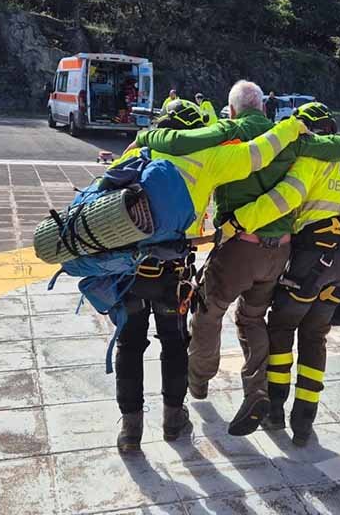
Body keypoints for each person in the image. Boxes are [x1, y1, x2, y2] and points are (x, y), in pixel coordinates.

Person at [133, 82, 340, 437]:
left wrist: (145, 136)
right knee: (252, 318)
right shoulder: (287, 137)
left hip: (237, 247)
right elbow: (338, 146)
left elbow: (179, 142)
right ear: (263, 107)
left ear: (232, 110)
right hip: (279, 250)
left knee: (209, 311)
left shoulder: (228, 132)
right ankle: (257, 390)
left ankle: (199, 380)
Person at [112, 98, 311, 452]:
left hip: (129, 270)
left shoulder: (138, 150)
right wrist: (291, 127)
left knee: (133, 342)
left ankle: (132, 429)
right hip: (173, 272)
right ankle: (174, 419)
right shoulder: (208, 158)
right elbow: (257, 155)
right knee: (176, 342)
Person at [218, 102, 340, 444]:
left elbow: (283, 199)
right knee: (315, 337)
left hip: (310, 261)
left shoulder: (310, 161)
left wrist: (238, 222)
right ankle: (304, 423)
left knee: (282, 328)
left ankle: (275, 411)